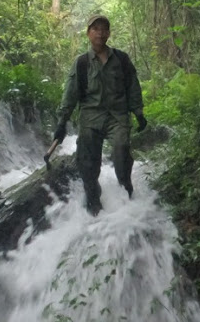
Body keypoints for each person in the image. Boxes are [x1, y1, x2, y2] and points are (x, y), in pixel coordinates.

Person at [54, 13, 147, 215]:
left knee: (121, 149)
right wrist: (62, 123)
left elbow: (133, 86)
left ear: (109, 33)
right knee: (87, 158)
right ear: (88, 33)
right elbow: (70, 94)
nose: (100, 33)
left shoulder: (121, 59)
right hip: (90, 117)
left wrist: (138, 112)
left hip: (117, 116)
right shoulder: (82, 63)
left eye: (104, 29)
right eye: (95, 29)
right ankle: (93, 199)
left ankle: (126, 191)